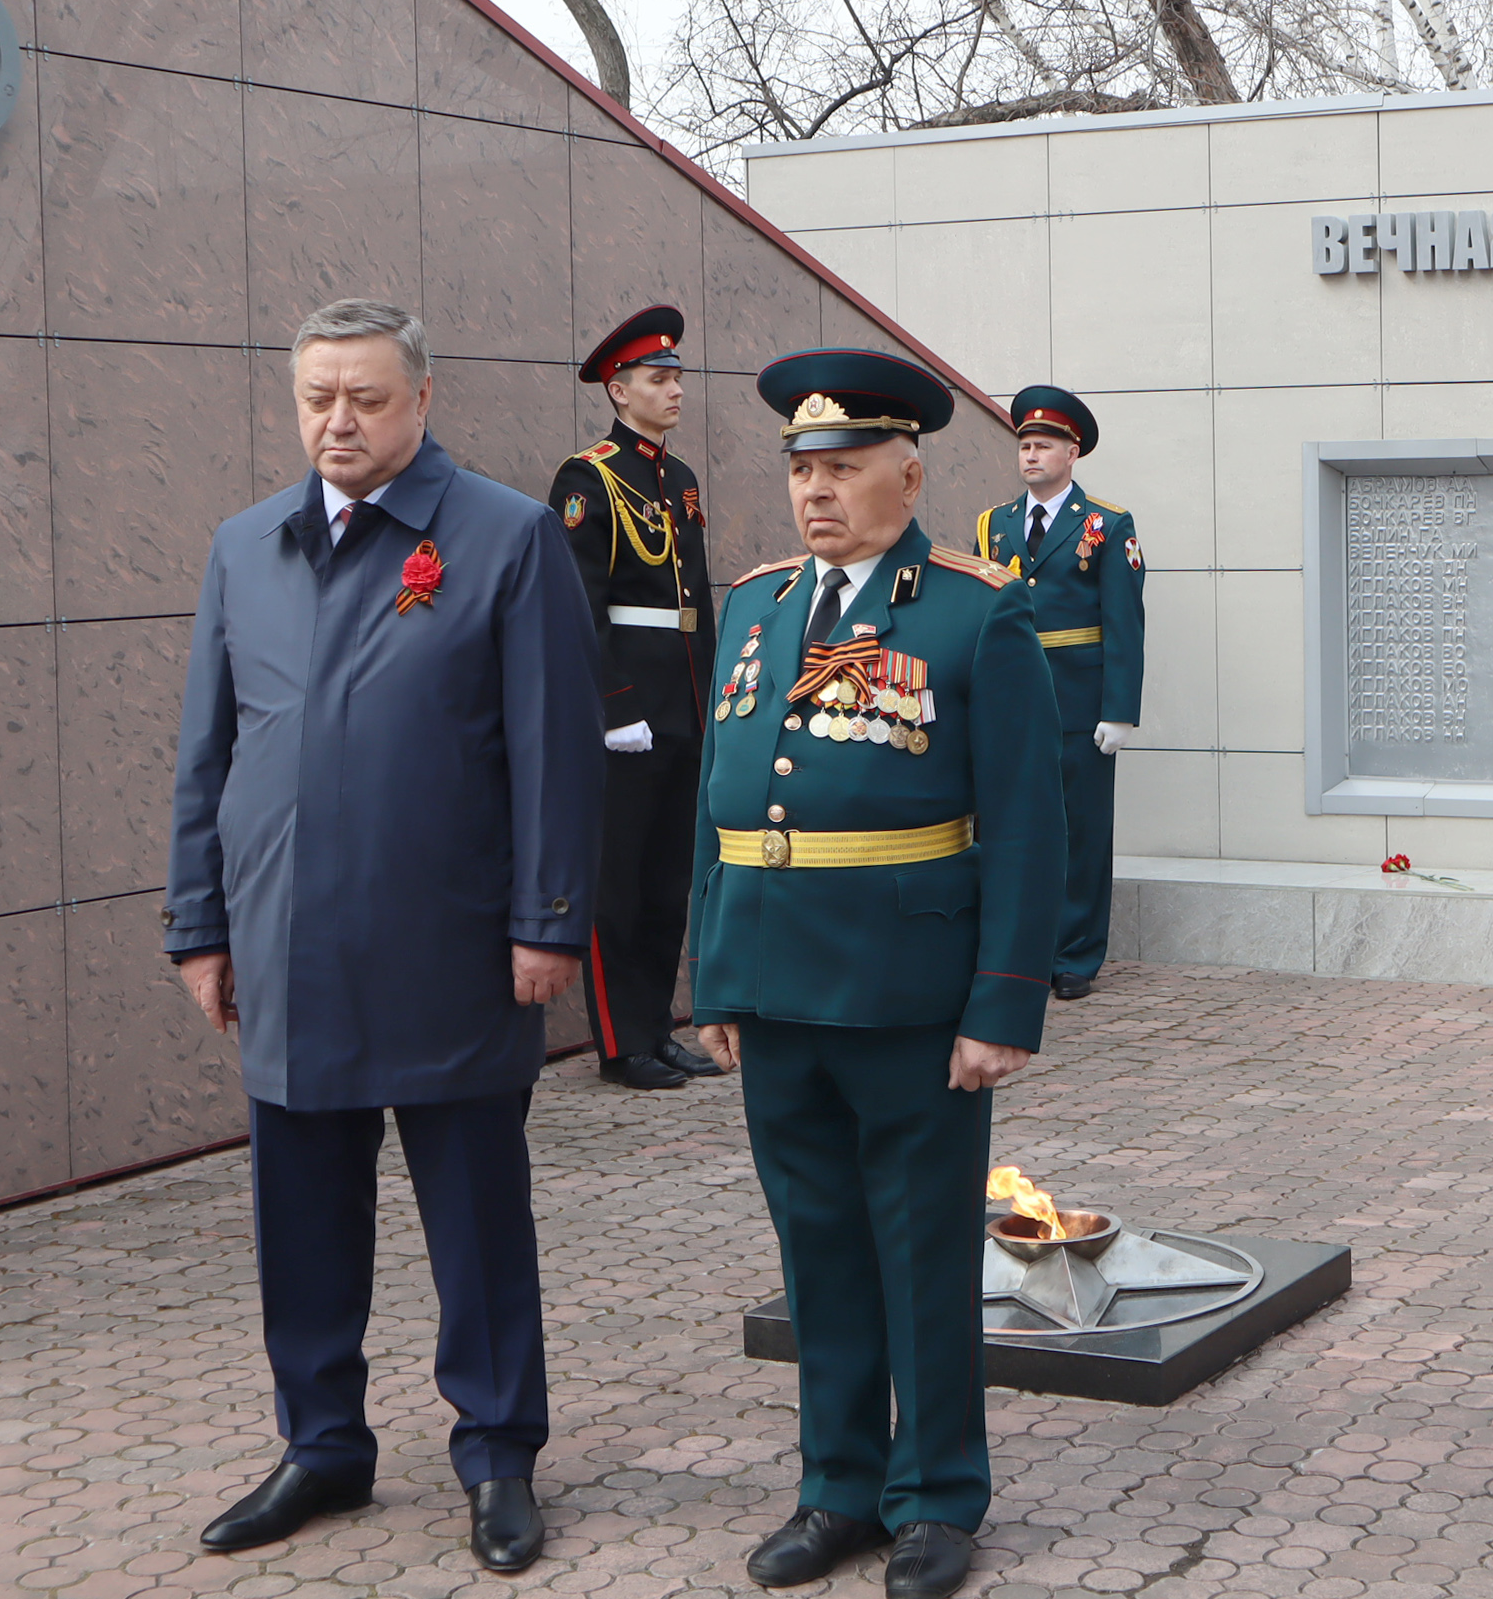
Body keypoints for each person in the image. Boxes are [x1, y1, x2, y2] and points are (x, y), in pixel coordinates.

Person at [164, 300, 603, 1568]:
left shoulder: (508, 537)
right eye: (316, 399)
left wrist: (548, 924)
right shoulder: (247, 548)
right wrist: (201, 925)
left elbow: (555, 753)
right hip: (288, 948)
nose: (337, 421)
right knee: (299, 1216)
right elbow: (208, 754)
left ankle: (498, 1452)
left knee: (473, 1214)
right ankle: (322, 1448)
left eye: (364, 397)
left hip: (454, 945)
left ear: (423, 399)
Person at [691, 349, 1066, 1597]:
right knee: (818, 1253)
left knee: (919, 1253)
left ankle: (938, 1499)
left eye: (842, 469)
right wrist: (715, 979)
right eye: (802, 469)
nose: (815, 492)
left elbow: (1026, 819)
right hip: (776, 988)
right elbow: (721, 808)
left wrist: (1003, 1001)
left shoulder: (974, 608)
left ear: (908, 472)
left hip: (912, 998)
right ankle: (835, 1488)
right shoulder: (752, 606)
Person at [548, 305, 719, 1089]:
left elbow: (699, 599)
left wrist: (714, 698)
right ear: (619, 391)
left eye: (678, 376)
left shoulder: (677, 478)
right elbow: (580, 604)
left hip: (682, 698)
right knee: (618, 882)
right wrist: (614, 705)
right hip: (629, 710)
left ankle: (660, 1026)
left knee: (666, 880)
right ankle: (621, 1041)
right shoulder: (589, 478)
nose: (675, 389)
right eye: (659, 378)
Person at [974, 386, 1143, 1000]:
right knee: (1014, 824)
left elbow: (1126, 621)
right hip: (1013, 695)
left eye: (1044, 445)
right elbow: (979, 612)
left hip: (1079, 698)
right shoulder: (993, 526)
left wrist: (1120, 711)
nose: (1031, 455)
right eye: (1024, 444)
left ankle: (1076, 953)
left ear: (1073, 453)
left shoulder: (1106, 524)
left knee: (1081, 827)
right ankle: (1024, 948)